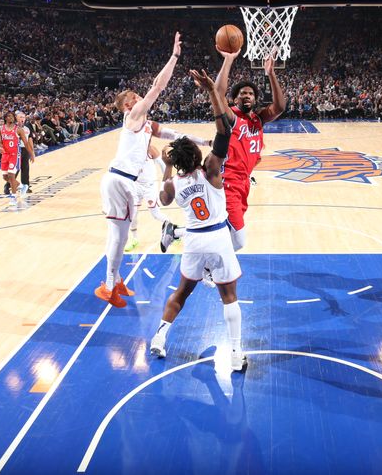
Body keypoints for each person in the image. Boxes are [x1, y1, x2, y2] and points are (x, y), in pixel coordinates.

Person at [149, 68, 246, 371]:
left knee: (181, 293)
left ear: (176, 162)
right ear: (197, 155)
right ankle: (235, 353)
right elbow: (223, 132)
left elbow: (162, 199)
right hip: (218, 237)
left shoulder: (172, 184)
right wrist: (211, 92)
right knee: (229, 297)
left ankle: (160, 338)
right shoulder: (212, 170)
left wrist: (166, 167)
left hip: (192, 240)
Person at [160, 46, 286, 255]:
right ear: (235, 99)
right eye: (242, 93)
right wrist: (228, 60)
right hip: (226, 181)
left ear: (255, 100)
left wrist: (271, 73)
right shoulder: (232, 117)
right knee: (238, 240)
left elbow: (279, 107)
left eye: (251, 94)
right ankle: (208, 266)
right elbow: (218, 94)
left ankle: (175, 232)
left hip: (243, 182)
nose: (247, 96)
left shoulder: (258, 119)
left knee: (222, 227)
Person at [96, 32, 183, 307]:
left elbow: (165, 133)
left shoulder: (143, 123)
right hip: (118, 181)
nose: (139, 97)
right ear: (126, 105)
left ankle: (116, 281)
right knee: (117, 236)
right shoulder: (132, 116)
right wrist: (174, 57)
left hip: (126, 182)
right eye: (134, 96)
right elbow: (157, 88)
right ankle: (108, 286)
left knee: (120, 237)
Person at [0, 111, 35, 206]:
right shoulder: (0, 129)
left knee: (11, 175)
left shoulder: (19, 129)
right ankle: (22, 186)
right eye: (9, 116)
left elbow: (26, 143)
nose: (11, 118)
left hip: (15, 154)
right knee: (5, 177)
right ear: (5, 118)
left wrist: (31, 154)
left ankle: (13, 197)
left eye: (12, 117)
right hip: (5, 155)